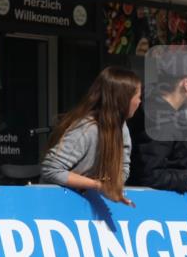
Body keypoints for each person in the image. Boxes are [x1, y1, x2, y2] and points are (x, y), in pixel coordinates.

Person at [40, 66, 141, 205]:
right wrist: (98, 185)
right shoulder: (87, 129)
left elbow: (123, 168)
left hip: (83, 205)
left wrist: (113, 186)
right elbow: (51, 169)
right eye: (138, 97)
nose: (139, 102)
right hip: (56, 204)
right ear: (123, 99)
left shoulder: (122, 128)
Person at [128, 48, 187, 205]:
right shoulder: (160, 121)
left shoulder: (164, 110)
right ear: (186, 84)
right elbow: (149, 175)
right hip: (149, 207)